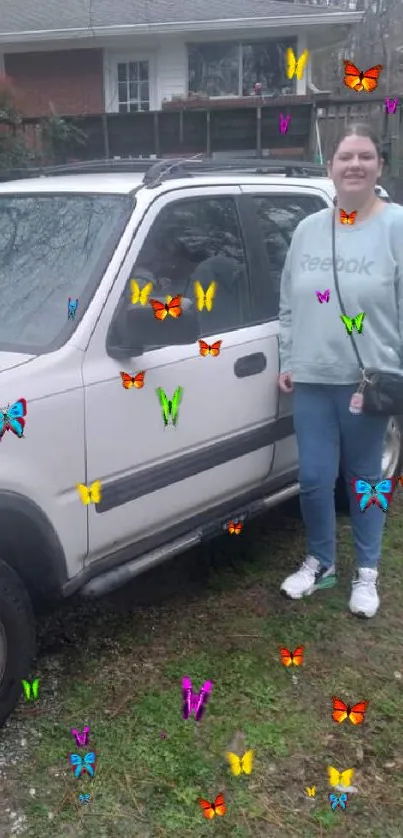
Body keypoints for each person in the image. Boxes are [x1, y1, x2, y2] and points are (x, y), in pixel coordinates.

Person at [278, 123, 403, 619]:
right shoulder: (309, 229)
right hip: (311, 377)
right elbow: (288, 300)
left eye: (365, 156)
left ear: (379, 166)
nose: (354, 164)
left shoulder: (396, 224)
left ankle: (367, 572)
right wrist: (288, 358)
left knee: (365, 478)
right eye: (345, 156)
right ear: (330, 167)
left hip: (367, 380)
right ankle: (321, 562)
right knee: (313, 478)